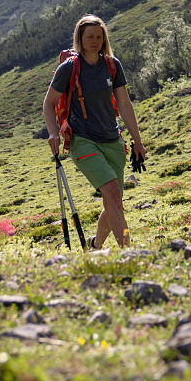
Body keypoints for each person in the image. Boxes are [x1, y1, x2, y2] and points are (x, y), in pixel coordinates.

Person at [42, 14, 147, 250]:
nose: (95, 41)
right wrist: (53, 133)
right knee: (111, 191)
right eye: (90, 36)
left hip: (113, 140)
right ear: (80, 38)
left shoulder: (112, 65)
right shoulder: (68, 68)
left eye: (99, 37)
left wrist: (137, 141)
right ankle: (127, 252)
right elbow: (49, 102)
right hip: (83, 140)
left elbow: (124, 103)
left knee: (113, 203)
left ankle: (95, 245)